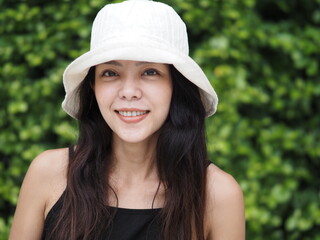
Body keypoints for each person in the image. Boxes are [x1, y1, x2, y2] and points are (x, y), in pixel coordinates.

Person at [9, 0, 245, 239]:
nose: (129, 91)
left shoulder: (218, 194)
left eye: (150, 72)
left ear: (177, 85)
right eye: (110, 73)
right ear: (93, 87)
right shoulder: (49, 174)